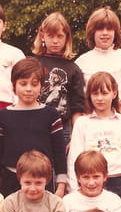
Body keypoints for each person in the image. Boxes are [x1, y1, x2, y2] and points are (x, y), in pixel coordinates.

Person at [0, 58, 67, 197]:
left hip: (42, 180)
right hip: (10, 180)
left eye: (34, 84)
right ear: (14, 85)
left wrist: (61, 185)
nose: (28, 89)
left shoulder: (51, 114)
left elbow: (59, 152)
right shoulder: (3, 115)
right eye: (23, 83)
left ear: (41, 86)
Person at [67, 71, 121, 197]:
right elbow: (74, 159)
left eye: (104, 93)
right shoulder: (82, 123)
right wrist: (74, 190)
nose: (99, 98)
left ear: (114, 93)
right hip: (89, 182)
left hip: (117, 182)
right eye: (95, 93)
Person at [32, 11, 86, 146]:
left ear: (66, 38)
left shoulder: (73, 69)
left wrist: (76, 137)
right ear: (42, 36)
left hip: (62, 127)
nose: (55, 41)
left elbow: (77, 106)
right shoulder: (33, 64)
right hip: (34, 123)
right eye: (50, 36)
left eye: (60, 36)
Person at [74, 6, 121, 116]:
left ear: (115, 32)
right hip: (91, 120)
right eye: (100, 29)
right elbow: (78, 102)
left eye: (109, 29)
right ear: (92, 32)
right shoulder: (81, 62)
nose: (105, 33)